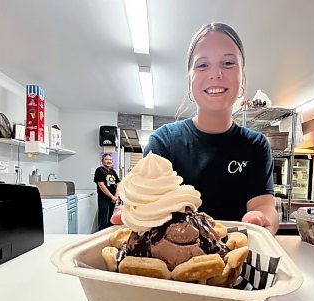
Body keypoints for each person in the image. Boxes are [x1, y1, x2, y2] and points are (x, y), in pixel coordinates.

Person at [115, 22, 279, 235]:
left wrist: (263, 218)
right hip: (172, 261)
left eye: (228, 63)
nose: (216, 74)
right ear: (189, 78)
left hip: (237, 261)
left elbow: (263, 204)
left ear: (242, 76)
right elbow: (147, 206)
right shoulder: (164, 142)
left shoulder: (255, 145)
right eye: (202, 65)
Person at [94, 153, 120, 231]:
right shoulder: (99, 170)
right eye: (107, 159)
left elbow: (118, 183)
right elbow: (101, 185)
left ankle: (108, 236)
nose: (109, 161)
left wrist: (116, 195)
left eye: (110, 159)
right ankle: (100, 238)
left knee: (110, 218)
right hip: (104, 198)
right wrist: (111, 196)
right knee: (103, 220)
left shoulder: (113, 171)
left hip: (113, 198)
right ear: (102, 161)